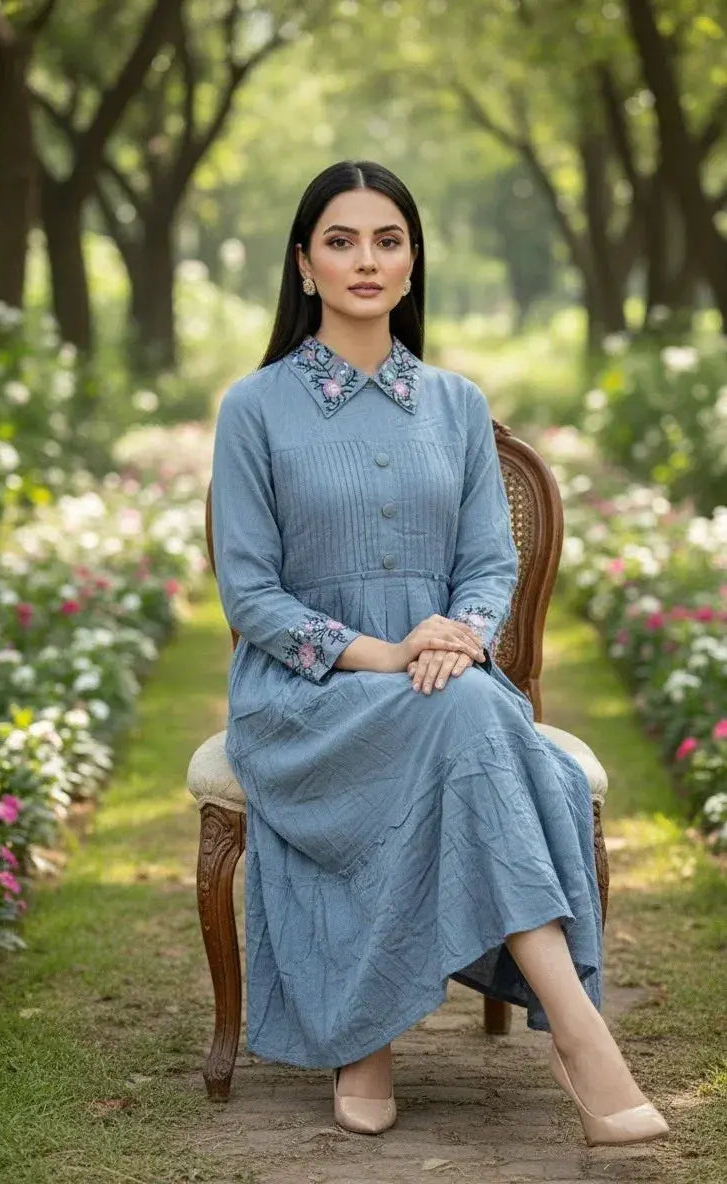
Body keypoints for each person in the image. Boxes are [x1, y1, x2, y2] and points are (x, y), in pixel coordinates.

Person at [210, 159, 668, 1146]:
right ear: (303, 265)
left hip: (443, 676)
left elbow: (487, 564)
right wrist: (385, 652)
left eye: (387, 240)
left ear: (413, 265)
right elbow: (248, 594)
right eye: (341, 240)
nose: (364, 259)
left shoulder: (457, 405)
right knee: (463, 715)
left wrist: (456, 636)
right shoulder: (253, 409)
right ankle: (579, 1039)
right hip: (305, 695)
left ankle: (409, 1036)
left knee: (461, 708)